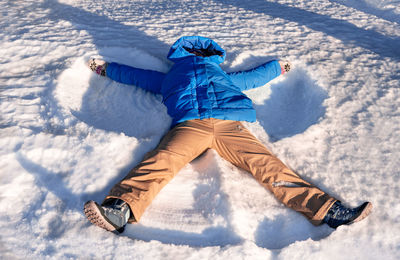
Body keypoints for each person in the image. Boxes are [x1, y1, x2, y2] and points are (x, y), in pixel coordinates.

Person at [83, 36, 372, 234]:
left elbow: (254, 77)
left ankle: (329, 210)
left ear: (211, 55)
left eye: (202, 52)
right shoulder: (170, 77)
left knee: (268, 166)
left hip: (230, 126)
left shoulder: (223, 75)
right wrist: (108, 69)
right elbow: (136, 76)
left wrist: (278, 67)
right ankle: (119, 209)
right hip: (190, 125)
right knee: (163, 159)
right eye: (191, 51)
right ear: (181, 54)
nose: (197, 55)